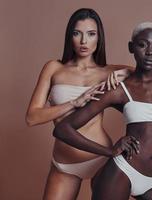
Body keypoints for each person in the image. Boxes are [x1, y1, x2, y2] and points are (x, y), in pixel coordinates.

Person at [53, 22, 152, 200]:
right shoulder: (119, 90)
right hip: (123, 172)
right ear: (131, 47)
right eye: (143, 45)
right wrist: (109, 151)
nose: (150, 52)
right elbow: (62, 129)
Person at [26, 8, 132, 200]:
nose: (84, 41)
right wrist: (74, 103)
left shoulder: (108, 72)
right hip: (64, 163)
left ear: (99, 38)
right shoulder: (53, 68)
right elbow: (32, 117)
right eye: (77, 33)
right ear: (70, 36)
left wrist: (130, 72)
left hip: (101, 158)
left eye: (91, 34)